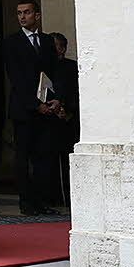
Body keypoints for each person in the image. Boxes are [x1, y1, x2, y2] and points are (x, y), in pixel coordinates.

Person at [3, 0, 58, 215]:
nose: (22, 16)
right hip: (24, 109)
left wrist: (55, 100)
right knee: (23, 157)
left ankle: (42, 200)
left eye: (27, 12)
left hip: (47, 108)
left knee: (43, 156)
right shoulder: (11, 42)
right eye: (19, 13)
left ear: (38, 15)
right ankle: (26, 202)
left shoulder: (46, 41)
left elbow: (53, 73)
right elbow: (16, 79)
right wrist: (36, 105)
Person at [50, 32, 79, 204]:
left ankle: (70, 198)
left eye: (56, 46)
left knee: (69, 159)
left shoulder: (71, 67)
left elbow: (75, 91)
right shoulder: (45, 66)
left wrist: (66, 109)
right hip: (48, 118)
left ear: (63, 48)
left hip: (69, 118)